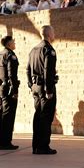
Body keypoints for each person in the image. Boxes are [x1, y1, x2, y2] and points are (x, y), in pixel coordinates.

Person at [27, 25, 58, 155]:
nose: (54, 34)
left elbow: (28, 69)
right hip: (45, 88)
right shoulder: (48, 49)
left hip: (35, 87)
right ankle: (43, 146)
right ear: (49, 34)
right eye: (53, 32)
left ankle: (36, 145)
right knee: (46, 117)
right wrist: (49, 89)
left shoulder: (34, 49)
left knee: (38, 115)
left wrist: (31, 85)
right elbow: (47, 70)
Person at [0, 36, 20, 150]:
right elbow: (11, 74)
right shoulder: (10, 55)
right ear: (9, 44)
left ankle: (0, 142)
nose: (15, 43)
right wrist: (14, 90)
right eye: (13, 42)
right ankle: (6, 142)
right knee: (8, 116)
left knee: (0, 115)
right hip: (7, 89)